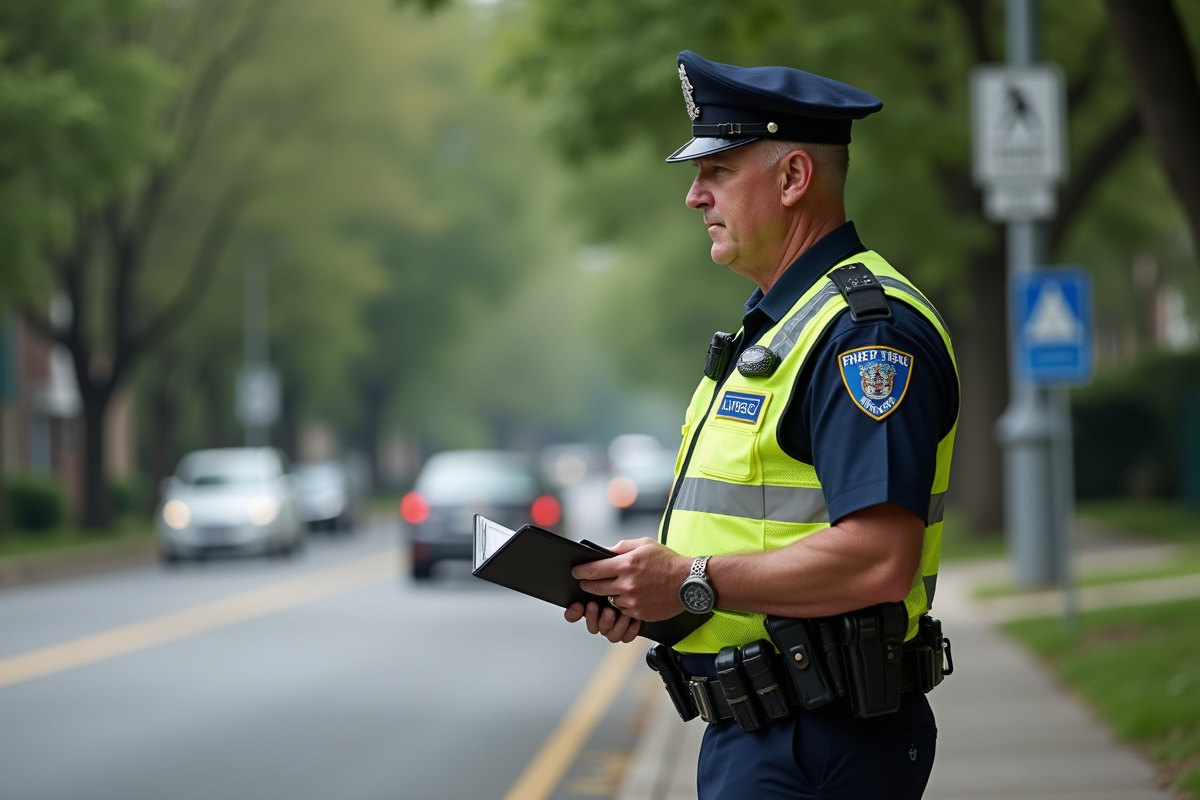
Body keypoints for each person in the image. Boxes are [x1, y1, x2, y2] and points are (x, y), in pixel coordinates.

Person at [564, 51, 959, 799]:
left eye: (717, 171)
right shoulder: (781, 327)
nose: (693, 197)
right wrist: (653, 597)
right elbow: (758, 532)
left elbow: (879, 560)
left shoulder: (865, 336)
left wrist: (691, 584)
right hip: (770, 735)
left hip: (823, 740)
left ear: (793, 178)